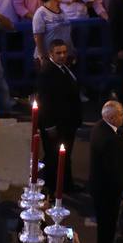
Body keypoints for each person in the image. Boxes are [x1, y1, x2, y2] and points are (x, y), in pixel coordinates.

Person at [36, 38, 82, 194]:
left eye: (64, 52)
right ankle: (53, 186)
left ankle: (66, 185)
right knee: (54, 156)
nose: (62, 55)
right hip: (56, 124)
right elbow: (45, 102)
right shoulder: (47, 72)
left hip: (67, 121)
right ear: (50, 54)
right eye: (58, 53)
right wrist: (49, 125)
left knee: (65, 155)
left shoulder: (63, 67)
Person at [88, 99, 123, 243]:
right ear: (112, 118)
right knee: (107, 224)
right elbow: (113, 169)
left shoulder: (100, 127)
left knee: (106, 224)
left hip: (100, 187)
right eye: (121, 114)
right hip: (106, 191)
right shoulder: (109, 140)